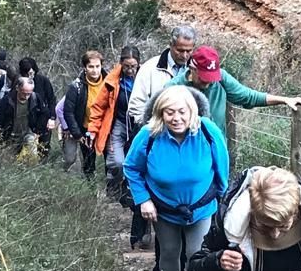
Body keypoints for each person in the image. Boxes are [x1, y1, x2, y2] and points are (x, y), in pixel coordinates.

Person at [123, 85, 230, 271]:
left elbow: (222, 165)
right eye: (169, 112)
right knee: (170, 253)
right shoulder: (149, 135)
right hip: (164, 209)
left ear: (192, 111)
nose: (176, 118)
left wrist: (223, 200)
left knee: (196, 253)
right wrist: (143, 200)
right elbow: (131, 167)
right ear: (161, 113)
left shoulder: (207, 131)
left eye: (182, 111)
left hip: (201, 207)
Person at [186, 46, 301, 137]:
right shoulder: (175, 88)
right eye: (204, 77)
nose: (208, 82)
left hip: (216, 151)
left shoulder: (221, 79)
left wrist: (285, 100)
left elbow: (248, 96)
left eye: (212, 77)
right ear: (192, 69)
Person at [89, 45, 143, 231]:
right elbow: (98, 107)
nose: (129, 70)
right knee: (118, 162)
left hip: (138, 126)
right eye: (126, 66)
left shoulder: (145, 78)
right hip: (117, 124)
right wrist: (92, 130)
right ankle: (115, 185)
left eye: (133, 66)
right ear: (120, 64)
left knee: (136, 164)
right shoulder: (112, 80)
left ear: (139, 64)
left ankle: (129, 191)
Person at [128, 23, 198, 127]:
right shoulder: (149, 68)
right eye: (180, 50)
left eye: (189, 51)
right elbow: (136, 105)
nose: (184, 55)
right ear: (171, 45)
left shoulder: (197, 70)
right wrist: (151, 128)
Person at [0, 57, 58, 157]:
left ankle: (40, 167)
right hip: (18, 125)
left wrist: (52, 118)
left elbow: (51, 100)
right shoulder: (18, 83)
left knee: (42, 148)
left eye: (31, 73)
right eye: (27, 74)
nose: (30, 76)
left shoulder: (43, 81)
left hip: (40, 118)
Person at [61, 51, 107, 178]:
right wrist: (77, 134)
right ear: (85, 68)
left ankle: (111, 193)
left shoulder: (109, 83)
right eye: (91, 67)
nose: (95, 70)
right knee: (89, 164)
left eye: (97, 66)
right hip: (87, 130)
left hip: (106, 128)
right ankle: (91, 190)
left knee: (111, 163)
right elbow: (68, 111)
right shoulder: (76, 86)